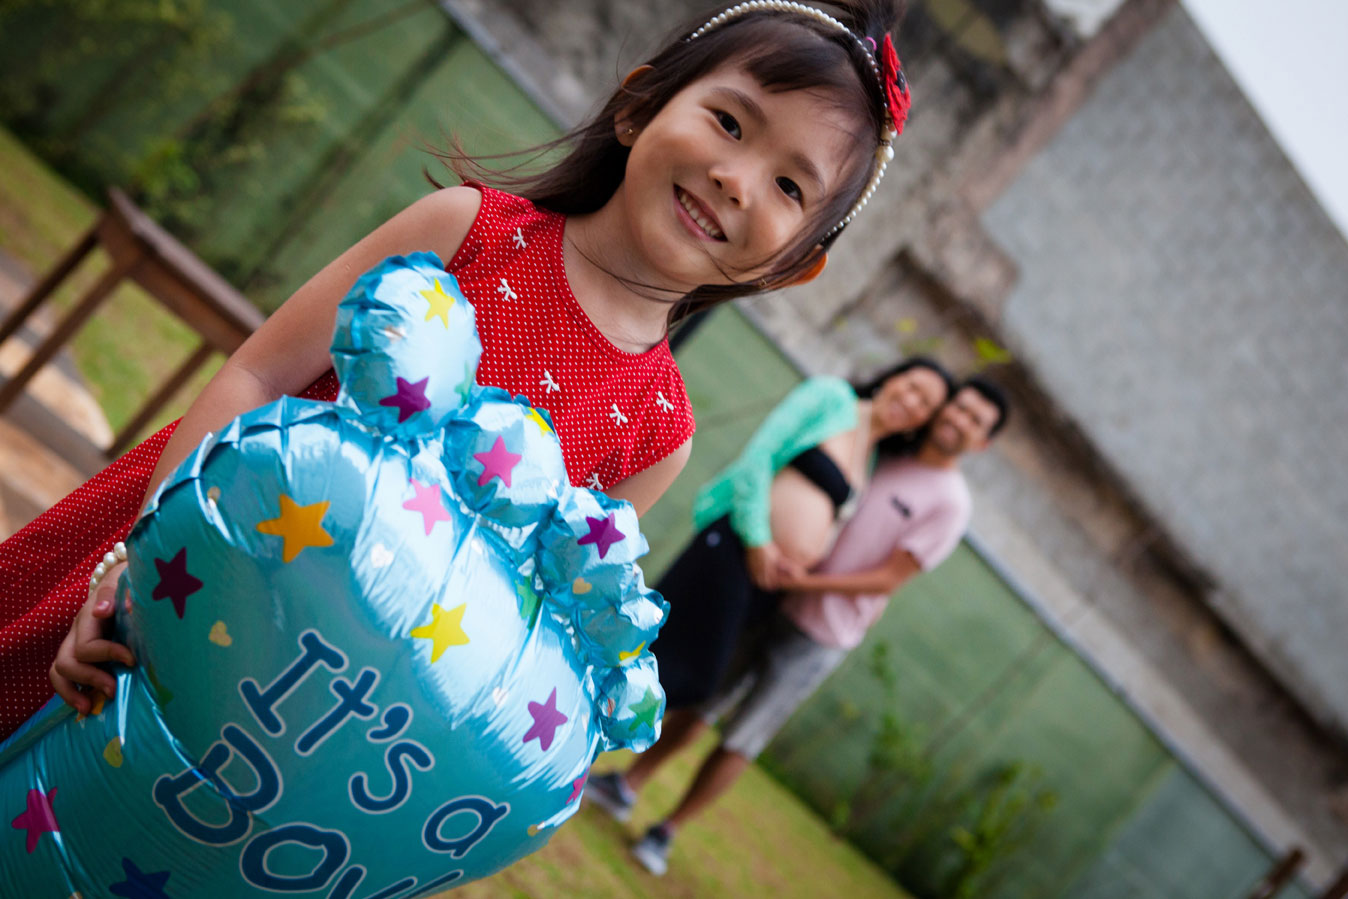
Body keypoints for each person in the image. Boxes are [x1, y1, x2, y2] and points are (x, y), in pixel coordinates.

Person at [0, 0, 914, 738]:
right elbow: (256, 376)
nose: (737, 179)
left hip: (302, 689)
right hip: (175, 557)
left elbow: (518, 625)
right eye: (729, 121)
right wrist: (139, 564)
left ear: (791, 264)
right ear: (639, 105)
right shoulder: (467, 230)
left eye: (789, 186)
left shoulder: (657, 433)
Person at [587, 377, 1010, 876]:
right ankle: (627, 785)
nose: (958, 419)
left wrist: (809, 581)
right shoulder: (892, 454)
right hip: (775, 598)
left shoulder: (950, 502)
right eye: (958, 407)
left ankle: (667, 830)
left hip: (823, 631)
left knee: (745, 734)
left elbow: (889, 579)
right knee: (703, 699)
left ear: (983, 442)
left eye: (974, 421)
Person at [652, 357, 954, 710]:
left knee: (680, 676)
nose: (913, 402)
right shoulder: (832, 398)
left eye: (926, 405)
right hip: (735, 543)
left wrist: (798, 568)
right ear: (892, 378)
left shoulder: (874, 460)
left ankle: (604, 735)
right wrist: (758, 540)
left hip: (770, 582)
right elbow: (760, 456)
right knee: (678, 666)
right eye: (913, 387)